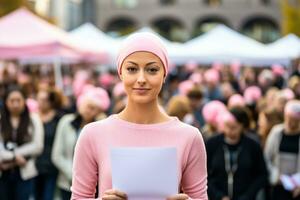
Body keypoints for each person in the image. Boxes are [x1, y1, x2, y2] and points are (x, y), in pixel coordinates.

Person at [71, 32, 208, 200]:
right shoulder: (92, 134)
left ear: (164, 74)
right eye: (132, 69)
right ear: (120, 73)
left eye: (152, 69)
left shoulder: (189, 137)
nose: (141, 79)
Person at [52, 86, 109, 200]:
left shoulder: (100, 127)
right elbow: (57, 155)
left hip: (92, 185)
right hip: (66, 182)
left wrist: (102, 121)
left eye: (94, 108)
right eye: (88, 106)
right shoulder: (66, 122)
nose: (89, 110)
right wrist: (74, 174)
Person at [206, 107, 268, 200]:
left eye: (234, 127)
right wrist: (218, 196)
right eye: (227, 126)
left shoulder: (252, 146)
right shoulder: (212, 144)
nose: (229, 131)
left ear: (243, 126)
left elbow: (261, 175)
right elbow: (204, 175)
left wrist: (247, 196)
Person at [0, 85, 44, 200]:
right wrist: (15, 157)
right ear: (5, 102)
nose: (15, 104)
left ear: (24, 101)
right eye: (11, 101)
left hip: (26, 172)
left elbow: (37, 146)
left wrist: (12, 155)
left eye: (18, 100)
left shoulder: (33, 119)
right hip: (3, 173)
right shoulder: (1, 120)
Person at [264, 100, 300, 200]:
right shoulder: (276, 132)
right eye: (290, 119)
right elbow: (266, 157)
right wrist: (276, 176)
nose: (292, 123)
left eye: (295, 120)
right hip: (278, 183)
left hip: (297, 186)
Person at [34, 86, 64, 200]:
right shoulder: (33, 117)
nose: (41, 103)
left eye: (44, 100)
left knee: (48, 196)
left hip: (51, 165)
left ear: (51, 101)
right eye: (39, 99)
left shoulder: (58, 118)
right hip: (34, 165)